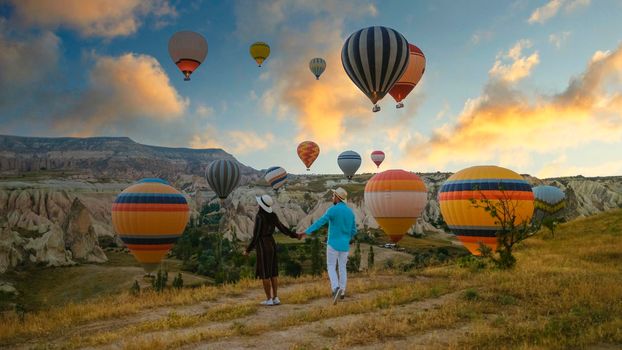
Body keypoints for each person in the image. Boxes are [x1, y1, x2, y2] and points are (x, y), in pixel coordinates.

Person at [299, 187, 357, 305]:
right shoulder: (350, 212)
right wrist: (347, 238)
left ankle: (335, 288)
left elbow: (320, 222)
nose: (332, 197)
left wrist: (306, 231)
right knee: (342, 267)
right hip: (344, 245)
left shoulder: (332, 210)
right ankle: (342, 291)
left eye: (333, 195)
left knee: (331, 266)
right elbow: (354, 230)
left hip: (333, 244)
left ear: (337, 197)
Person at [244, 194, 299, 306]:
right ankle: (275, 297)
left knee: (265, 273)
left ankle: (269, 299)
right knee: (273, 272)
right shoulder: (273, 215)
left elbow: (256, 236)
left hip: (263, 245)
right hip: (271, 243)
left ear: (261, 206)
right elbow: (283, 228)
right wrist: (295, 235)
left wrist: (248, 250)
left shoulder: (260, 217)